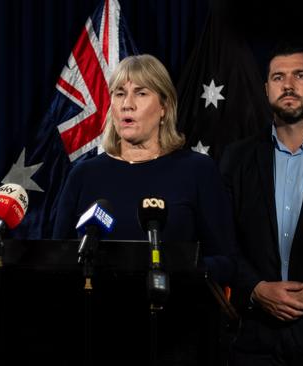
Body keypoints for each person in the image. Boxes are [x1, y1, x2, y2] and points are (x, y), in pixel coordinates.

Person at [52, 54, 237, 365]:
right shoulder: (84, 175)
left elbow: (226, 260)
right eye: (119, 94)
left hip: (176, 336)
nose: (127, 104)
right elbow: (58, 261)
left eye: (141, 93)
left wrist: (178, 271)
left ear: (164, 107)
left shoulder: (197, 170)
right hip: (98, 335)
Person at [219, 42, 303, 365]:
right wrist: (255, 288)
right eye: (278, 77)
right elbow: (222, 240)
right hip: (254, 341)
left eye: (300, 75)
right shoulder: (235, 158)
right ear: (266, 88)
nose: (289, 85)